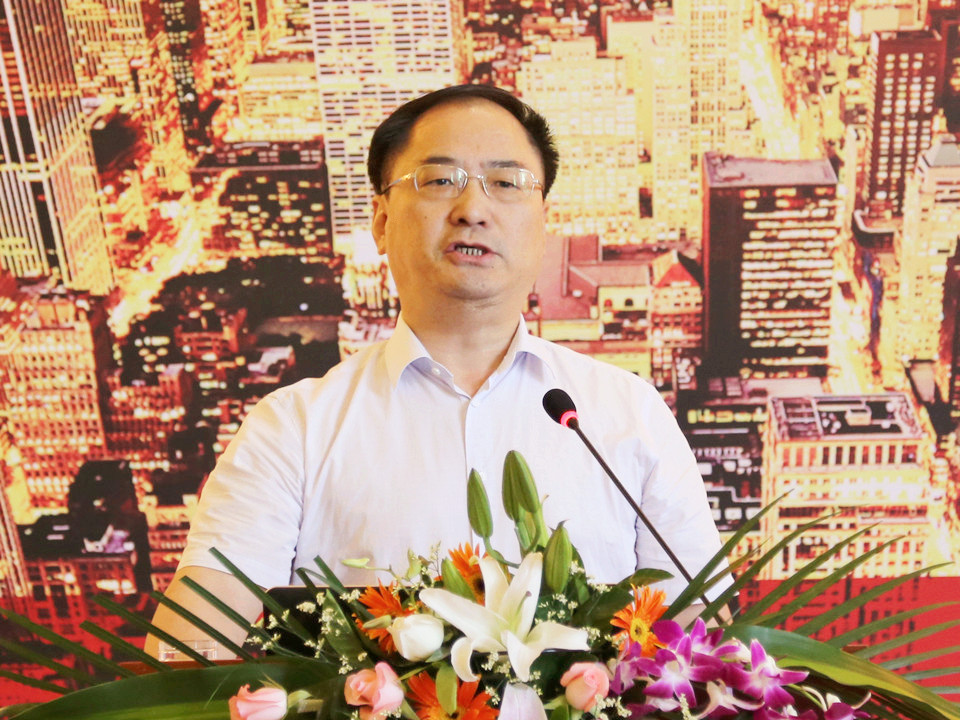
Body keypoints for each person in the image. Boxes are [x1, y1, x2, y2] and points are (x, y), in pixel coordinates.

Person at [146, 85, 727, 658]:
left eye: (506, 183)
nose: (472, 209)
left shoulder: (628, 413)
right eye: (440, 180)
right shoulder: (293, 428)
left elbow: (709, 645)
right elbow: (188, 649)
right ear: (381, 220)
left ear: (542, 224)